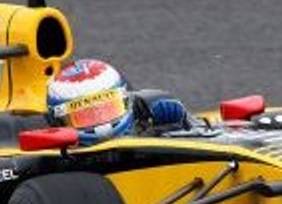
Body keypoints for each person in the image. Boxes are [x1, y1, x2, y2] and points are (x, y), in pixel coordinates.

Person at [45, 59, 188, 145]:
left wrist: (179, 123)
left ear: (126, 101)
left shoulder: (151, 108)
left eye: (108, 109)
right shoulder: (49, 160)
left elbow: (204, 133)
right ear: (59, 121)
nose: (103, 125)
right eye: (85, 116)